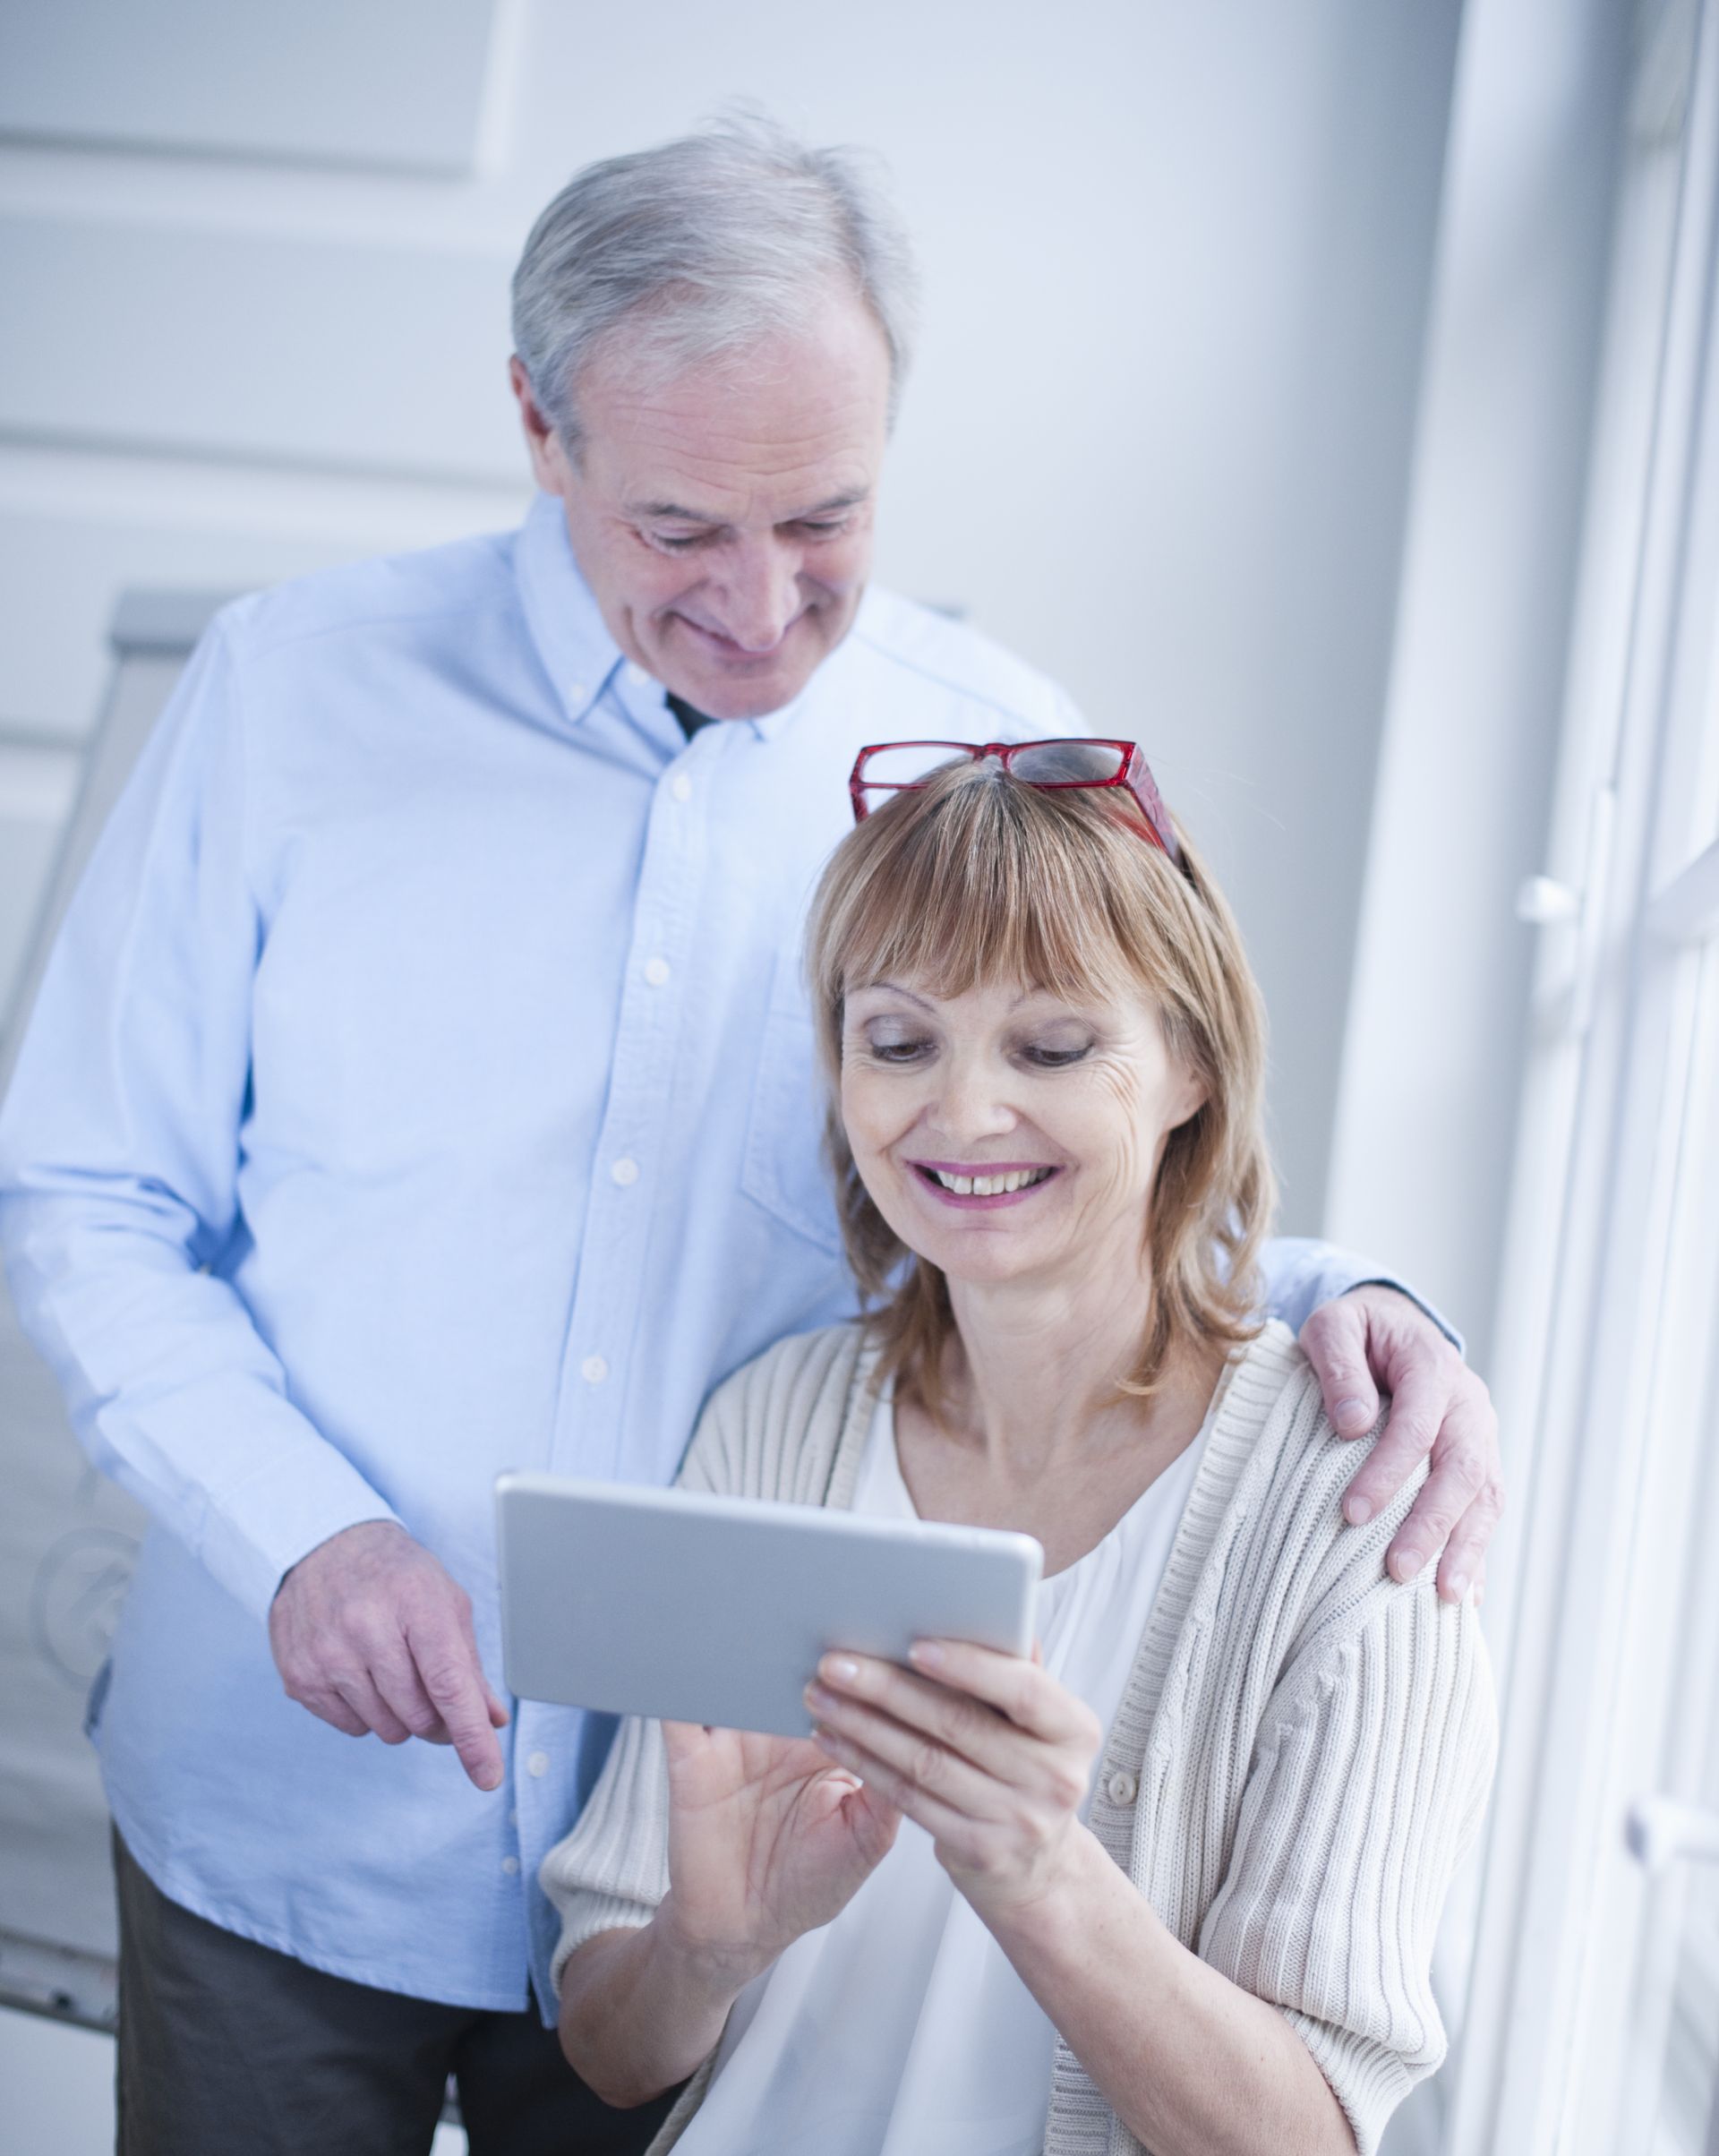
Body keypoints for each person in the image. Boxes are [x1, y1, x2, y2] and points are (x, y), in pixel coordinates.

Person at [0, 117, 1499, 2154]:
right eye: (686, 527)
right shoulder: (288, 696)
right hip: (288, 1821)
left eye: (828, 518)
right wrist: (305, 1533)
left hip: (719, 1864)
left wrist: (1359, 1300)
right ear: (541, 427)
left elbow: (1063, 1124)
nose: (768, 603)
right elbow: (89, 1186)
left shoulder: (982, 744)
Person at [544, 748, 1497, 2156]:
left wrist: (1041, 1873)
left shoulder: (1358, 1499)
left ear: (1190, 1066)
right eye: (899, 1040)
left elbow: (1308, 2138)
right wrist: (707, 1943)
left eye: (1052, 1048)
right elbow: (611, 2054)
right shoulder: (778, 1419)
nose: (965, 1113)